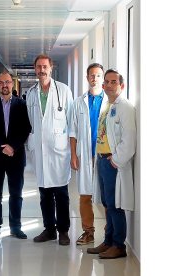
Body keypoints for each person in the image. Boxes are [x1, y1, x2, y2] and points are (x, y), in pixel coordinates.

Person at [86, 69, 136, 259]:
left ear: (121, 86)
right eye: (106, 81)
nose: (108, 85)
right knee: (107, 204)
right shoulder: (107, 106)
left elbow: (129, 139)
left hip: (112, 162)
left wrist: (115, 160)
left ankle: (118, 245)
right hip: (102, 160)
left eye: (113, 82)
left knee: (115, 205)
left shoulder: (126, 108)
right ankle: (107, 241)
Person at [26, 54, 74, 246]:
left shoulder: (63, 90)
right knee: (44, 193)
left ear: (51, 68)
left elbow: (71, 123)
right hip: (40, 150)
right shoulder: (31, 93)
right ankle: (49, 229)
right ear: (35, 69)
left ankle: (63, 231)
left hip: (59, 151)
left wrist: (73, 152)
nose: (41, 70)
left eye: (44, 66)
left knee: (61, 193)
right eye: (38, 67)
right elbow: (31, 123)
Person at [0, 71, 32, 239]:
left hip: (16, 156)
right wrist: (2, 147)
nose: (5, 85)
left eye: (8, 82)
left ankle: (15, 227)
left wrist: (13, 147)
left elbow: (26, 128)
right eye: (1, 82)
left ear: (12, 84)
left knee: (16, 194)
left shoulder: (22, 104)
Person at [69, 63, 108, 245]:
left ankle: (110, 233)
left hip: (104, 156)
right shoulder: (79, 102)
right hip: (85, 155)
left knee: (107, 196)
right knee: (85, 195)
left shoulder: (109, 101)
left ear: (102, 78)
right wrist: (73, 155)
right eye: (92, 75)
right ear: (87, 78)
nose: (95, 78)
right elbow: (73, 131)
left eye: (98, 75)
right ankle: (88, 232)